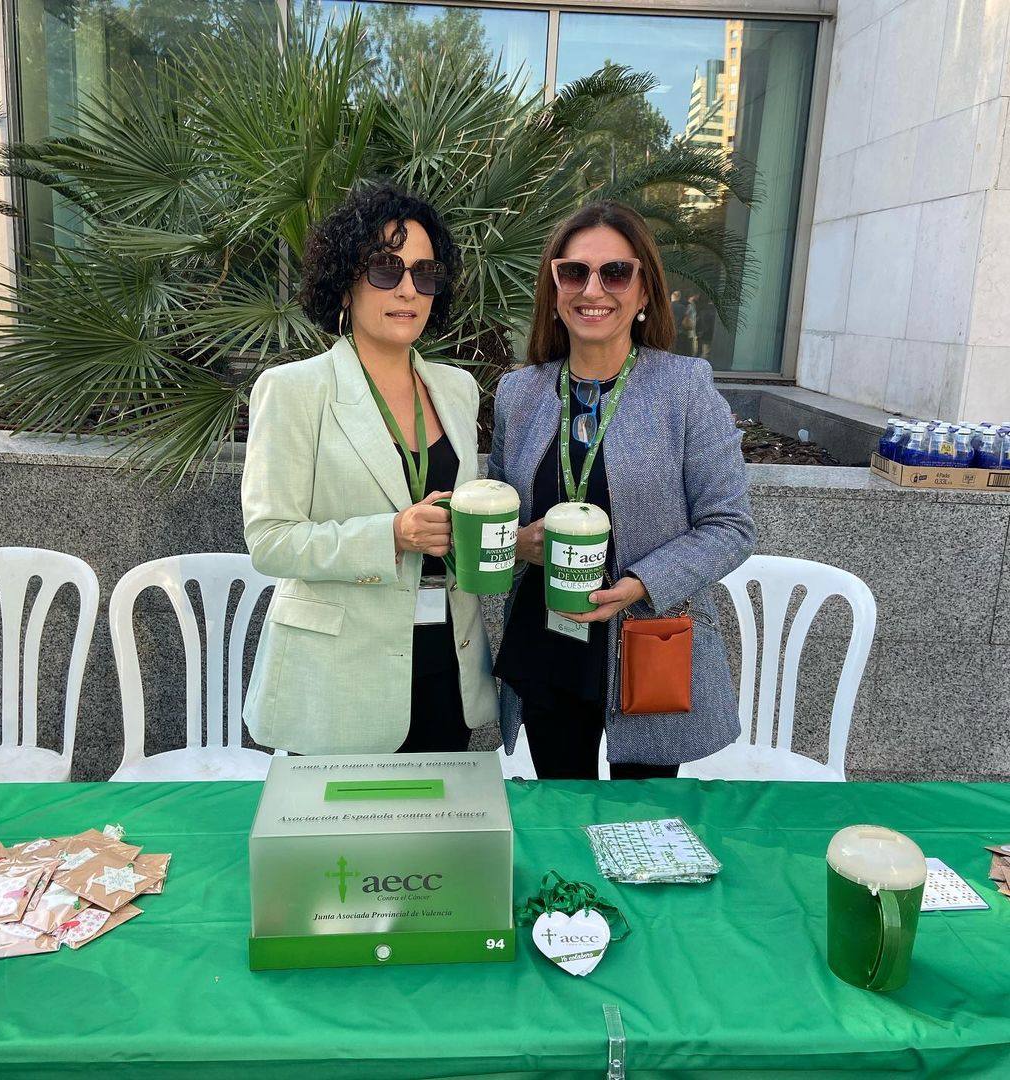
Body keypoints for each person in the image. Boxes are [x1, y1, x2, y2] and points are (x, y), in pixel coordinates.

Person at [489, 200, 755, 780]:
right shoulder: (519, 393)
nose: (594, 289)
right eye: (574, 272)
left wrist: (639, 584)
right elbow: (498, 517)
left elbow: (730, 526)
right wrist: (516, 544)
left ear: (642, 293)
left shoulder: (684, 388)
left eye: (615, 272)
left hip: (644, 640)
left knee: (642, 825)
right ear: (554, 288)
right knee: (565, 815)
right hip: (549, 639)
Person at [241, 183, 497, 754]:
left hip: (444, 666)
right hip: (337, 680)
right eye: (386, 269)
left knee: (433, 841)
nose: (408, 289)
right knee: (339, 846)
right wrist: (392, 535)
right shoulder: (293, 390)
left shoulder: (456, 390)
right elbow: (270, 541)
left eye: (425, 274)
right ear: (345, 280)